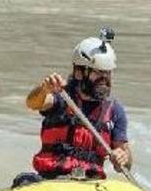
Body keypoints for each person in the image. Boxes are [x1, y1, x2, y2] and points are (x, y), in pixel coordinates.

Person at [24, 29, 132, 181]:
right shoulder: (62, 96)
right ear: (79, 72)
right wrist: (43, 89)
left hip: (90, 185)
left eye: (108, 73)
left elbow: (126, 159)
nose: (105, 78)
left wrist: (123, 158)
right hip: (52, 181)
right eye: (98, 72)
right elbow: (32, 103)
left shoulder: (115, 111)